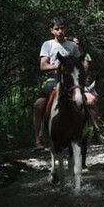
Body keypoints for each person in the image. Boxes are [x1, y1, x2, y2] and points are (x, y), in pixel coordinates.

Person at [33, 17, 81, 150]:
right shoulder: (47, 45)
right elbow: (43, 66)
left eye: (62, 28)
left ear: (66, 29)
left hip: (72, 80)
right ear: (52, 30)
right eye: (57, 29)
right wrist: (57, 67)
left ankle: (95, 130)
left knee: (90, 100)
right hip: (53, 80)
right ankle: (38, 138)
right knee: (38, 105)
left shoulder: (73, 46)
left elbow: (78, 64)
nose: (60, 31)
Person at [71, 36, 104, 144]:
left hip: (83, 86)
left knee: (91, 101)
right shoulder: (67, 57)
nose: (76, 46)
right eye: (74, 44)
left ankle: (97, 132)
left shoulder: (85, 56)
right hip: (71, 86)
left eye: (77, 44)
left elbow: (84, 72)